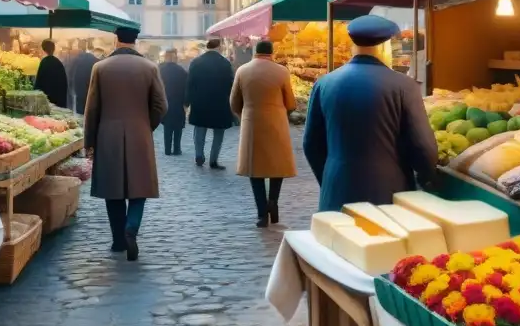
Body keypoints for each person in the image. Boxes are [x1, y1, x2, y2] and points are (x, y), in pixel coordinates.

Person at [303, 14, 437, 213]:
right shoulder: (404, 86)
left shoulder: (324, 83)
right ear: (385, 47)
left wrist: (330, 180)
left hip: (336, 191)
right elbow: (424, 148)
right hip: (387, 194)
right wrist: (427, 180)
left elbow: (311, 144)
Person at [84, 26, 168, 261]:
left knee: (113, 189)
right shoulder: (150, 67)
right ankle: (131, 227)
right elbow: (162, 106)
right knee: (139, 187)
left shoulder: (100, 67)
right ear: (135, 40)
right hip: (139, 132)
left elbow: (92, 109)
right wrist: (145, 125)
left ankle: (118, 240)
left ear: (116, 39)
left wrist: (89, 140)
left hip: (107, 133)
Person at [231, 40, 297, 227]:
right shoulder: (282, 71)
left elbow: (234, 102)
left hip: (252, 122)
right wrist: (281, 113)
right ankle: (273, 202)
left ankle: (261, 213)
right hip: (277, 122)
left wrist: (245, 114)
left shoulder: (242, 71)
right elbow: (291, 103)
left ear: (255, 52)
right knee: (277, 167)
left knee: (255, 169)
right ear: (272, 53)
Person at [186, 38, 235, 169]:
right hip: (219, 103)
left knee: (200, 130)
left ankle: (199, 155)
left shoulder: (196, 62)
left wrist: (187, 102)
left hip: (200, 102)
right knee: (218, 133)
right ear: (219, 47)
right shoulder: (225, 63)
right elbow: (231, 84)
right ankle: (214, 160)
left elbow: (190, 83)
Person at [158, 48, 188, 155]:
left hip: (165, 101)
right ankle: (176, 149)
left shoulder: (160, 69)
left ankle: (167, 149)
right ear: (175, 57)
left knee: (167, 126)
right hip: (178, 102)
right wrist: (186, 103)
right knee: (178, 127)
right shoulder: (181, 71)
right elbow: (186, 88)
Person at [34, 39, 68, 108]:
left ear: (43, 49)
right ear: (54, 49)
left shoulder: (44, 62)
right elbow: (64, 83)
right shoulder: (58, 63)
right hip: (58, 99)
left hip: (46, 100)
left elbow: (38, 82)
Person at [69, 41, 98, 115]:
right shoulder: (94, 59)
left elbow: (71, 73)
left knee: (80, 110)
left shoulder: (76, 60)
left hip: (79, 90)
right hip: (90, 90)